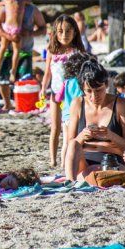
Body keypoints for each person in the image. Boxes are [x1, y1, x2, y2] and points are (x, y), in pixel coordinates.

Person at [64, 60, 125, 181]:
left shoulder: (120, 104)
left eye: (98, 90)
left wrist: (110, 135)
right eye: (89, 91)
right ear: (82, 89)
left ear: (106, 85)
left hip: (113, 160)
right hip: (84, 162)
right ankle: (70, 183)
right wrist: (82, 136)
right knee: (73, 144)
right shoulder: (77, 103)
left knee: (103, 178)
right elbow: (71, 143)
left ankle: (88, 180)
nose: (94, 96)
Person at [0, 0, 47, 111]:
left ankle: (23, 104)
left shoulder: (32, 9)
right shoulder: (5, 6)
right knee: (2, 78)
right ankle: (7, 103)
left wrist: (30, 32)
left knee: (24, 78)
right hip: (7, 47)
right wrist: (7, 35)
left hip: (25, 50)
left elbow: (43, 28)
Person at [41, 14, 84, 167]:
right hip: (55, 93)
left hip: (71, 95)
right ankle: (53, 159)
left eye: (68, 31)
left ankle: (66, 159)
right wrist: (42, 88)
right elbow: (47, 73)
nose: (64, 35)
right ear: (55, 33)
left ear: (74, 32)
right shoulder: (52, 51)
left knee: (69, 127)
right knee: (55, 127)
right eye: (60, 31)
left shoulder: (77, 52)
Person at [60, 52, 94, 166]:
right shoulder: (79, 82)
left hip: (65, 115)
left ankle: (63, 164)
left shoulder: (68, 81)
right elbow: (80, 98)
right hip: (73, 115)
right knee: (73, 142)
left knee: (65, 142)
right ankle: (68, 164)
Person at [0, 0, 26, 83]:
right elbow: (29, 3)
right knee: (16, 51)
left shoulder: (5, 2)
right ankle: (13, 71)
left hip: (6, 27)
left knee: (2, 48)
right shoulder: (22, 2)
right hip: (16, 28)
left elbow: (0, 3)